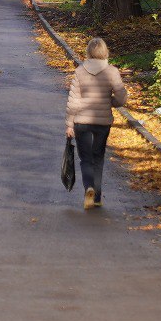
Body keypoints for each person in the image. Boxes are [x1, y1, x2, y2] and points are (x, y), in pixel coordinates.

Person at [65, 37, 128, 210]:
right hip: (103, 123)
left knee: (85, 158)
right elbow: (122, 96)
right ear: (104, 51)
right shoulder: (112, 72)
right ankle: (98, 197)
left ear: (88, 52)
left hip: (81, 121)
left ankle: (89, 188)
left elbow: (73, 100)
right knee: (98, 157)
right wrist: (111, 102)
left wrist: (70, 124)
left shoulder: (80, 71)